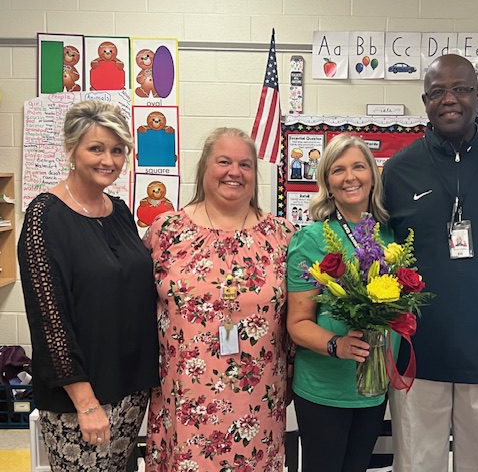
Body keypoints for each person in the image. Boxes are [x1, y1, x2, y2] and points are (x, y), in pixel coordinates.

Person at [382, 54, 478, 472]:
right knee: (416, 465)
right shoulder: (398, 171)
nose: (449, 99)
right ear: (425, 101)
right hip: (418, 356)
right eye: (437, 92)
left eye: (461, 89)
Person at [18, 100, 159, 471]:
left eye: (117, 150)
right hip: (81, 396)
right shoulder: (44, 216)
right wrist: (85, 401)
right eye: (96, 148)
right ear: (71, 150)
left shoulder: (121, 212)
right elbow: (49, 319)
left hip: (129, 386)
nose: (108, 160)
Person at [144, 127, 295, 472]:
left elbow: (297, 316)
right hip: (183, 399)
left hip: (257, 403)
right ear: (204, 168)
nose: (234, 172)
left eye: (245, 164)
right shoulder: (165, 231)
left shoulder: (283, 236)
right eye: (223, 161)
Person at [287, 133, 399, 472]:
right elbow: (297, 323)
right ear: (327, 183)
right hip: (324, 388)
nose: (350, 177)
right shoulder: (310, 240)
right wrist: (337, 344)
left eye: (358, 167)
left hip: (372, 389)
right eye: (338, 170)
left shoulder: (390, 235)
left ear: (373, 176)